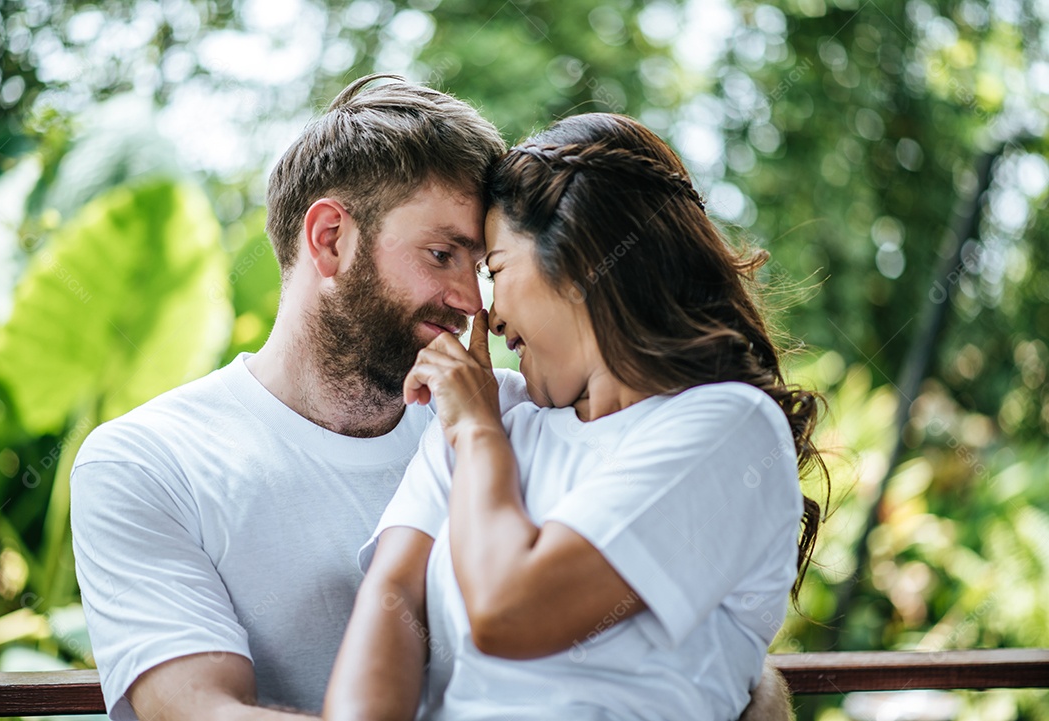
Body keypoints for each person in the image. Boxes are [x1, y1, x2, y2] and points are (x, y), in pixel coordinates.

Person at [324, 113, 826, 720]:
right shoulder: (496, 405)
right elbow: (394, 596)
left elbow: (513, 611)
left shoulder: (727, 427)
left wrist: (478, 436)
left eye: (497, 270)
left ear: (585, 259)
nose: (487, 314)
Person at [69, 74, 530, 721]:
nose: (472, 300)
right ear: (330, 239)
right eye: (442, 253)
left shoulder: (514, 416)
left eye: (478, 265)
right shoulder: (148, 461)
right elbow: (201, 710)